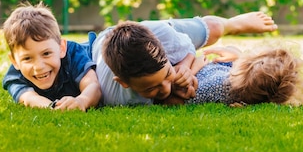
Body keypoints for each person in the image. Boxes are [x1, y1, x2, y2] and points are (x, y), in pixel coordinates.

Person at [97, 12, 278, 106]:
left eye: (168, 74)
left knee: (213, 29)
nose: (166, 88)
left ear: (165, 52)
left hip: (149, 31)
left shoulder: (163, 34)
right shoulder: (116, 98)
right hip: (103, 44)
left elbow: (189, 48)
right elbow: (173, 100)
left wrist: (185, 66)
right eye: (152, 88)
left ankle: (233, 23)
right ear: (123, 82)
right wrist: (188, 74)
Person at [2, 2, 102, 111]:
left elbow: (92, 85)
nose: (39, 66)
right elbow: (28, 98)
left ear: (61, 48)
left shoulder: (74, 54)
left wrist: (81, 101)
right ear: (14, 61)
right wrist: (53, 107)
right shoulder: (15, 77)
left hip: (100, 50)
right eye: (27, 58)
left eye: (46, 54)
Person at [180, 45, 303, 106]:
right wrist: (237, 55)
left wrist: (196, 66)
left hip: (187, 66)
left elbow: (179, 93)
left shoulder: (212, 87)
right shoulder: (247, 89)